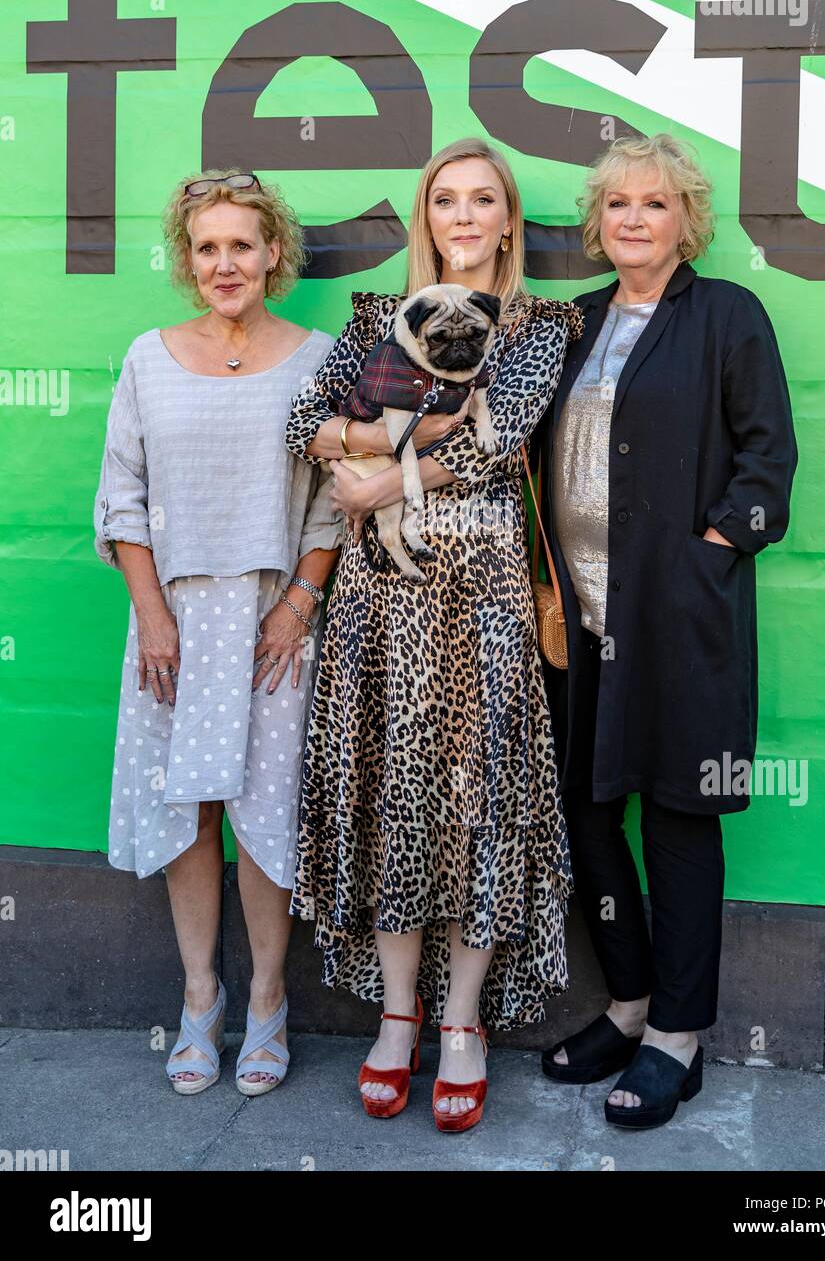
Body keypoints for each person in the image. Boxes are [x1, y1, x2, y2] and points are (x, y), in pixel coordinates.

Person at [285, 137, 583, 1131]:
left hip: (484, 600)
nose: (463, 216)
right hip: (377, 604)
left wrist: (375, 462)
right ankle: (398, 1017)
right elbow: (305, 423)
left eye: (483, 200)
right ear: (428, 215)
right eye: (445, 199)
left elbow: (500, 437)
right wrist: (386, 450)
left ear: (506, 220)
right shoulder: (376, 317)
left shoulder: (542, 323)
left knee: (481, 807)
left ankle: (463, 1025)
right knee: (395, 799)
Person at [537, 133, 797, 1129]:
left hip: (678, 621)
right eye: (617, 205)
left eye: (655, 203)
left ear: (687, 220)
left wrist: (708, 553)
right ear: (599, 224)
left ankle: (678, 1040)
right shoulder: (577, 321)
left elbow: (769, 466)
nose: (635, 219)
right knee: (592, 817)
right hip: (581, 622)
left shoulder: (729, 315)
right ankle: (629, 1005)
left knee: (682, 819)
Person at [93, 170, 343, 1095]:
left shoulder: (319, 357)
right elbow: (122, 497)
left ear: (274, 252)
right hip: (172, 625)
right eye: (207, 248)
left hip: (278, 625)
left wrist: (297, 605)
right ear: (187, 260)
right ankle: (202, 1001)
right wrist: (152, 614)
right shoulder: (147, 358)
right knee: (189, 813)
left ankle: (269, 1004)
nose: (224, 263)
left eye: (242, 245)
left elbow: (328, 508)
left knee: (266, 814)